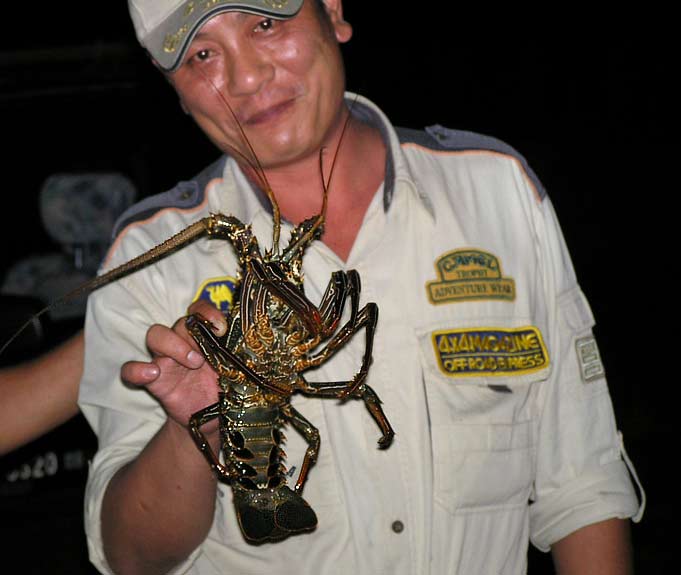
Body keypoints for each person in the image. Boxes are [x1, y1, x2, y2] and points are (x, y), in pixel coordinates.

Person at [79, 1, 644, 573]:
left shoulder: (497, 189)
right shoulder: (145, 258)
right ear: (174, 88)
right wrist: (191, 430)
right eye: (202, 55)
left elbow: (583, 482)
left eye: (266, 24)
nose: (246, 77)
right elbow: (131, 558)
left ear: (332, 11)